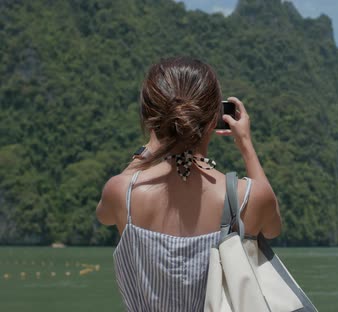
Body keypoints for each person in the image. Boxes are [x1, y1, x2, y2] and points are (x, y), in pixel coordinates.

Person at [95, 57, 281, 311]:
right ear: (214, 118)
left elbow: (104, 216)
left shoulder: (123, 192)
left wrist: (149, 150)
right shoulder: (247, 196)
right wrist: (246, 144)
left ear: (150, 119)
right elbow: (272, 229)